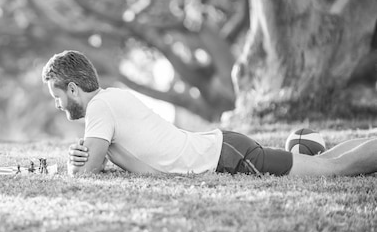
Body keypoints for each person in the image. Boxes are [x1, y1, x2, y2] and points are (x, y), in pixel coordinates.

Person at [42, 50, 377, 177]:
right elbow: (97, 163)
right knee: (328, 161)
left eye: (57, 96)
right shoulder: (110, 99)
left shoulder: (99, 107)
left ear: (73, 89)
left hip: (225, 156)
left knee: (332, 169)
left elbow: (89, 171)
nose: (57, 105)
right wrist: (83, 161)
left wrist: (77, 166)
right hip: (225, 149)